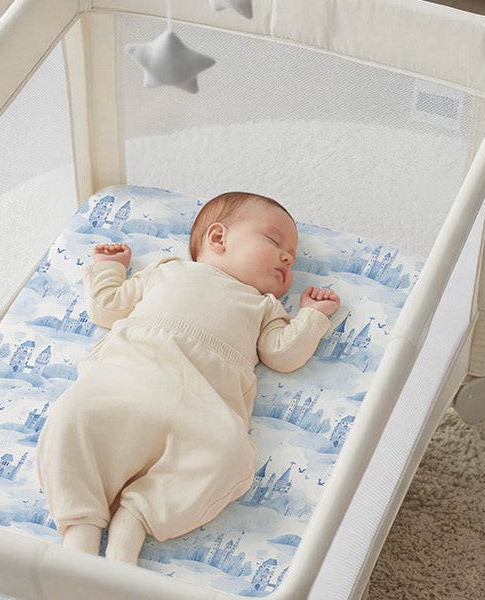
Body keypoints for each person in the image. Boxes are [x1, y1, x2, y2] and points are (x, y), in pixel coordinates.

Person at [37, 191, 341, 565]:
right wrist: (109, 268)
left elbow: (284, 354)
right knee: (72, 414)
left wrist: (311, 316)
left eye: (291, 258)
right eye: (274, 242)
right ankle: (80, 533)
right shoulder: (168, 270)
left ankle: (134, 522)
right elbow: (106, 307)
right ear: (218, 238)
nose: (287, 258)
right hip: (128, 380)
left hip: (201, 408)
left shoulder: (265, 307)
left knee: (231, 454)